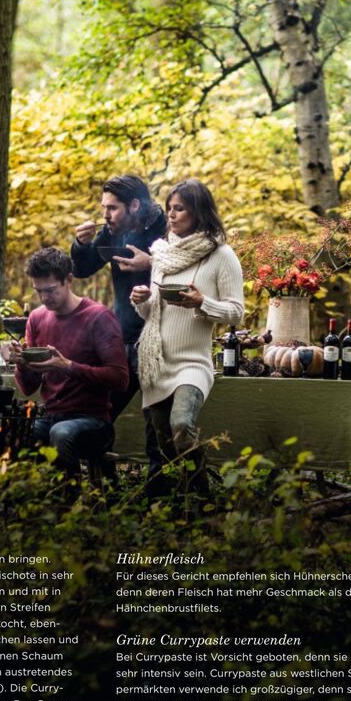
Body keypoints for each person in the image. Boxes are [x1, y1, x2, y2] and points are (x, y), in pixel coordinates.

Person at [129, 179, 245, 496]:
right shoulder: (162, 255)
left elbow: (236, 312)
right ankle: (182, 503)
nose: (171, 215)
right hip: (157, 362)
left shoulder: (222, 256)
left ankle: (202, 497)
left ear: (198, 211)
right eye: (169, 209)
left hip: (192, 363)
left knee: (181, 425)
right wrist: (141, 300)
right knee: (165, 447)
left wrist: (201, 303)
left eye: (179, 208)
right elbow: (152, 314)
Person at [2, 248, 129, 476]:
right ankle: (23, 498)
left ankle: (67, 502)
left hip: (93, 421)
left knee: (61, 433)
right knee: (13, 431)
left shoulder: (98, 317)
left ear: (68, 280)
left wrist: (68, 367)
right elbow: (29, 387)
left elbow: (120, 379)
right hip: (49, 416)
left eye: (50, 290)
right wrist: (21, 362)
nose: (44, 298)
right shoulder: (37, 318)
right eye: (38, 291)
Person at [70, 174, 167, 419]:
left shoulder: (165, 229)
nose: (105, 215)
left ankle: (161, 459)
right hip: (122, 337)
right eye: (104, 208)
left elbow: (189, 274)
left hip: (159, 340)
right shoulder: (112, 231)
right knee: (102, 411)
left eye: (112, 208)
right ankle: (95, 456)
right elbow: (82, 270)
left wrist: (152, 264)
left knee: (155, 421)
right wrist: (81, 244)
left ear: (134, 205)